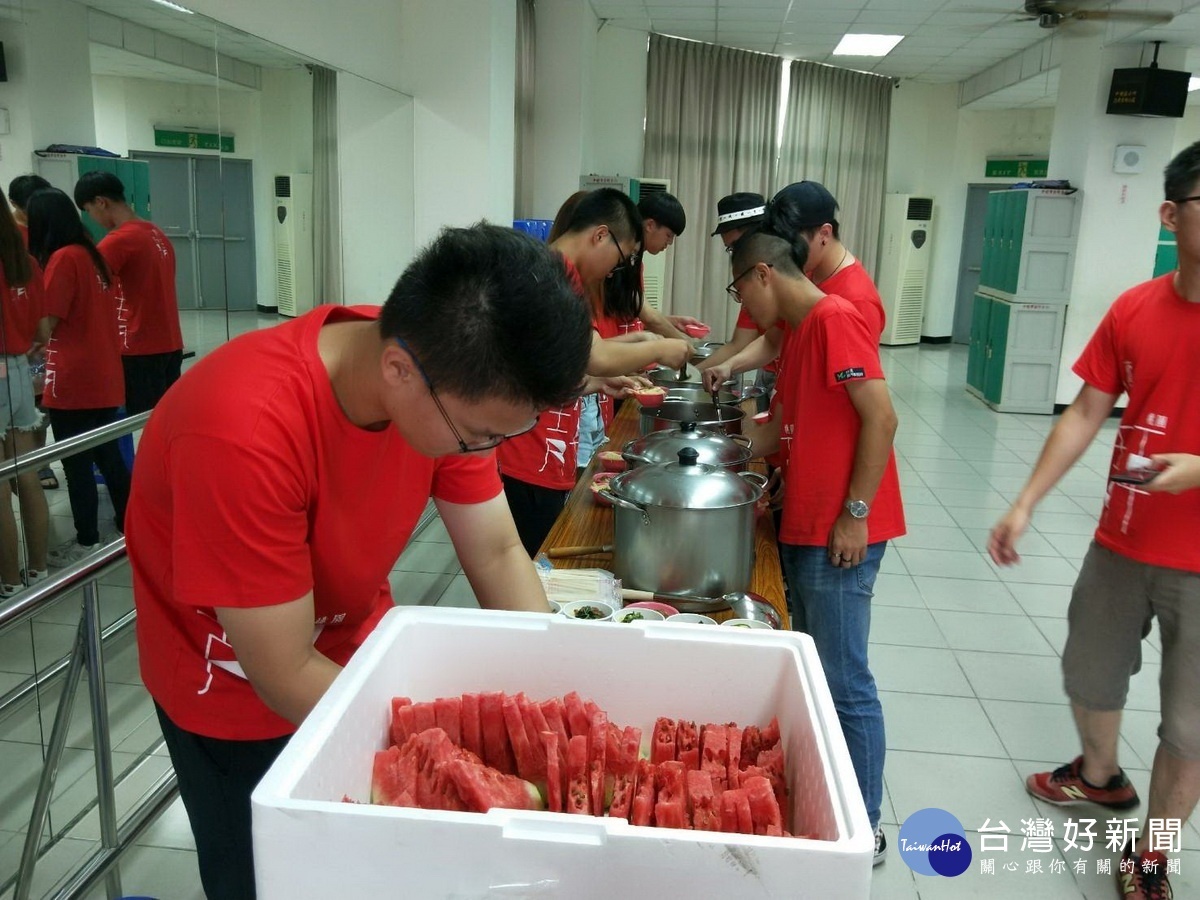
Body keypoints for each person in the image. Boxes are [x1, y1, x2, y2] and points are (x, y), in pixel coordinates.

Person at [127, 224, 595, 900]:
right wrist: (448, 756)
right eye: (482, 436)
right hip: (235, 689)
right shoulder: (244, 430)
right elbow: (283, 671)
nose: (482, 449)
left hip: (352, 653)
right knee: (265, 878)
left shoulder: (437, 364)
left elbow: (495, 549)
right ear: (399, 372)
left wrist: (551, 696)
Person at [989, 142, 1200, 900]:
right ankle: (1101, 776)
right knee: (1089, 670)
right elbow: (1085, 410)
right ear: (1171, 215)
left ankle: (1154, 856)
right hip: (1123, 541)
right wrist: (1026, 500)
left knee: (1190, 728)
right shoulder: (1135, 309)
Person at [727, 227, 905, 867]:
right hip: (803, 525)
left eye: (740, 286)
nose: (743, 303)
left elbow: (881, 417)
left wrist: (855, 515)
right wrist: (730, 444)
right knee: (818, 676)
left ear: (762, 275)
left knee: (844, 679)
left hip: (838, 534)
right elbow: (778, 430)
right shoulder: (801, 335)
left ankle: (864, 828)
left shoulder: (836, 320)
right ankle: (832, 797)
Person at [497, 189, 690, 556]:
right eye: (620, 259)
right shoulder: (551, 275)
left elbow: (544, 368)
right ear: (601, 235)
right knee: (526, 563)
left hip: (544, 453)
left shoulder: (562, 276)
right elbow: (594, 353)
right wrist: (663, 347)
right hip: (525, 456)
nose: (615, 270)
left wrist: (597, 383)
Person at [27, 188, 131, 567]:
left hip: (74, 378)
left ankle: (87, 541)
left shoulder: (62, 259)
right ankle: (128, 527)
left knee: (75, 462)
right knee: (109, 458)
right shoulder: (93, 254)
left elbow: (46, 325)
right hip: (104, 373)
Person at [702, 181, 886, 393]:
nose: (785, 250)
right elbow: (773, 340)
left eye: (791, 241)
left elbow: (873, 410)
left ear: (824, 234)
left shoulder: (857, 299)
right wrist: (729, 366)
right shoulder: (804, 274)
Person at [74, 171, 184, 415]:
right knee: (164, 417)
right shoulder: (155, 233)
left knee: (139, 421)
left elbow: (89, 291)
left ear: (101, 202)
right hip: (170, 343)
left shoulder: (118, 240)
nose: (91, 218)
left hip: (138, 347)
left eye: (89, 210)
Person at [0, 193, 50, 594]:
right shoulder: (25, 262)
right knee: (27, 473)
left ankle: (9, 582)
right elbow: (43, 332)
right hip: (18, 372)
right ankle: (37, 569)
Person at [8, 174, 57, 490]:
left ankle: (39, 462)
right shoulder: (11, 237)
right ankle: (27, 465)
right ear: (14, 205)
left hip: (46, 328)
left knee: (43, 402)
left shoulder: (47, 230)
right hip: (18, 337)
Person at [697, 192, 771, 373]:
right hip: (773, 375)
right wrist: (693, 376)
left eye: (736, 246)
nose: (736, 256)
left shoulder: (792, 276)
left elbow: (774, 341)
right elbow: (739, 344)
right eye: (730, 249)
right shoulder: (752, 279)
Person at [634, 191, 705, 341]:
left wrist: (673, 323)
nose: (670, 243)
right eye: (669, 235)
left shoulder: (637, 263)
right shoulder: (624, 261)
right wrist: (684, 344)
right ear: (650, 225)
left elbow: (635, 317)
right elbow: (649, 318)